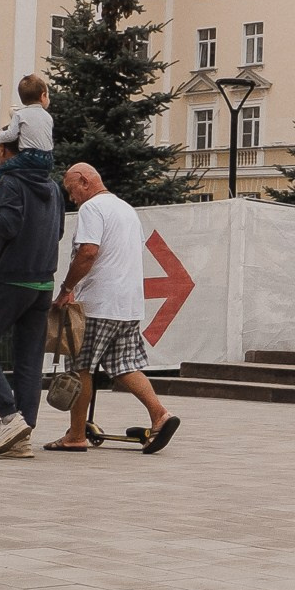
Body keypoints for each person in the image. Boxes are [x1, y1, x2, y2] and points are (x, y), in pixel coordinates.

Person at [46, 163, 180, 454]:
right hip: (128, 305)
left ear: (83, 181)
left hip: (98, 303)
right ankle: (160, 415)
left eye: (71, 190)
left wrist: (66, 289)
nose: (71, 198)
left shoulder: (92, 209)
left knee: (80, 366)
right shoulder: (126, 209)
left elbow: (88, 252)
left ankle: (76, 435)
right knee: (123, 366)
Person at [0, 138, 63, 456]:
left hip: (11, 279)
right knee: (29, 361)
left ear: (7, 151)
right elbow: (58, 231)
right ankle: (21, 438)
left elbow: (8, 225)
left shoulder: (9, 182)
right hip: (43, 283)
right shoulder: (53, 186)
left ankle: (10, 417)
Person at [0, 73, 55, 171]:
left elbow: (11, 135)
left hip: (29, 157)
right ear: (43, 96)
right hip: (48, 159)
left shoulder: (19, 114)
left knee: (1, 171)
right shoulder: (48, 117)